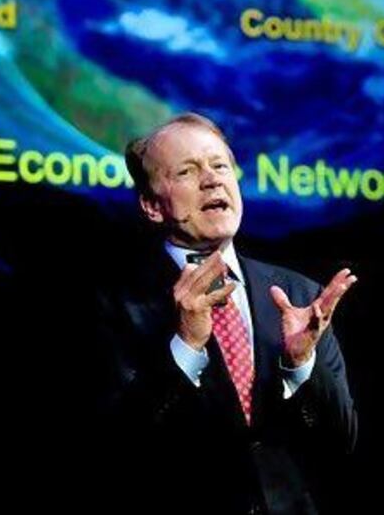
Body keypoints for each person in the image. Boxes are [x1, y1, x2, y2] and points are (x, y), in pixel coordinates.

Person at [93, 112, 358, 515]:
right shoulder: (113, 304)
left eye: (220, 165)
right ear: (151, 205)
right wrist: (186, 345)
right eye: (186, 171)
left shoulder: (299, 295)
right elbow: (116, 447)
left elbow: (343, 440)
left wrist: (301, 364)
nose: (212, 179)